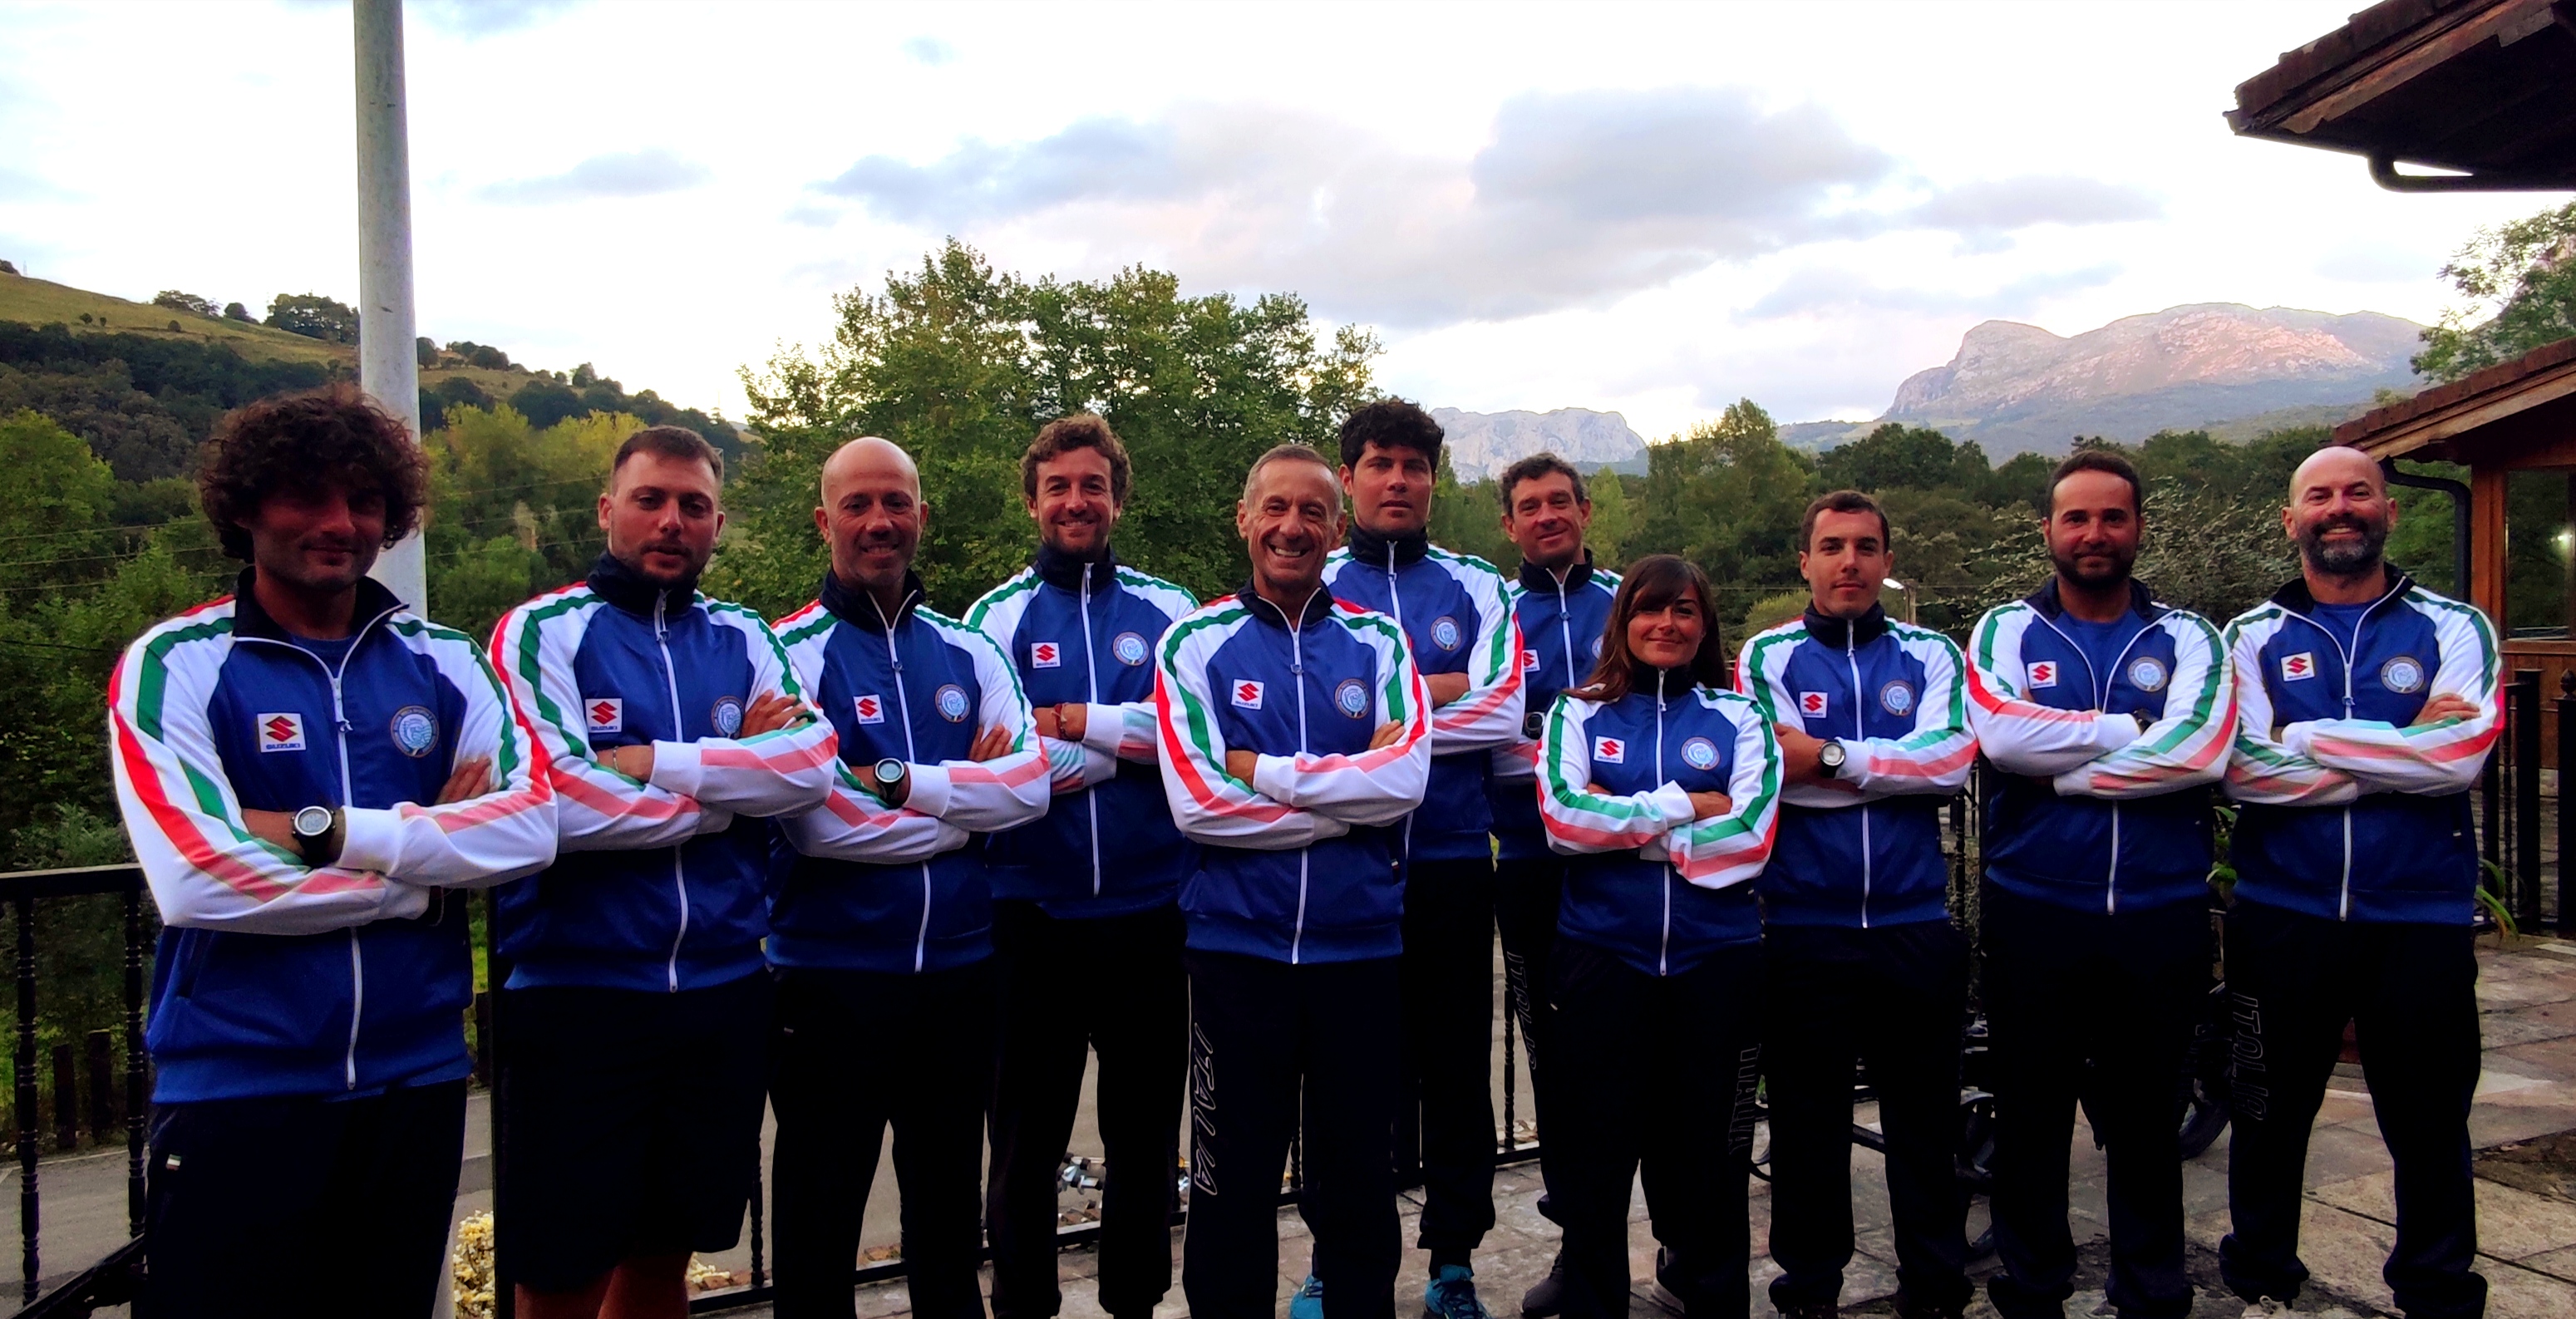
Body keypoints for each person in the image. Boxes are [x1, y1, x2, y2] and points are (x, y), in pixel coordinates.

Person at [110, 383, 558, 1317]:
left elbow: (528, 830)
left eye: (363, 501)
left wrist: (323, 833)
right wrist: (421, 876)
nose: (339, 523)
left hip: (417, 1078)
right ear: (244, 506)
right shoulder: (177, 663)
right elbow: (198, 880)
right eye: (307, 496)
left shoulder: (445, 659)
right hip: (240, 1085)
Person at [490, 425, 839, 1319]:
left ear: (718, 521)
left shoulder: (744, 636)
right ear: (609, 510)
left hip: (723, 990)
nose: (671, 521)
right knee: (560, 1272)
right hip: (579, 994)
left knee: (662, 1256)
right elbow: (560, 803)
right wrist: (731, 782)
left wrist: (658, 764)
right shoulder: (543, 631)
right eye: (651, 500)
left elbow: (811, 766)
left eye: (693, 505)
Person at [769, 436, 1051, 1317]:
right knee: (820, 1224)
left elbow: (1031, 788)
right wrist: (960, 813)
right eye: (857, 505)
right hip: (827, 980)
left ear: (922, 515)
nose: (879, 521)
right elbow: (814, 823)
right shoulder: (786, 654)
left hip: (961, 975)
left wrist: (891, 786)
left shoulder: (969, 651)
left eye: (896, 502)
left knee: (943, 1222)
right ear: (826, 522)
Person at [2218, 445, 2500, 1319]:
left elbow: (2457, 763)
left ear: (2388, 510)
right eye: (2320, 496)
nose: (2340, 508)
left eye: (2357, 493)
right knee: (2266, 1111)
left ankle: (2437, 1287)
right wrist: (2399, 736)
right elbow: (2243, 773)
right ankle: (2261, 1276)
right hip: (2282, 913)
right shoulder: (2251, 637)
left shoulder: (2454, 628)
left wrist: (2308, 738)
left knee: (2428, 1120)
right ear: (2291, 519)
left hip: (2420, 916)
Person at [1156, 441, 1433, 1319]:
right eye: (1275, 508)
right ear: (1244, 520)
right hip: (1237, 955)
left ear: (1337, 527)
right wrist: (1346, 803)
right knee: (1229, 1185)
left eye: (1313, 512)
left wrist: (1264, 771)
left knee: (1358, 1185)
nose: (1292, 526)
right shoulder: (1192, 643)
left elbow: (1407, 784)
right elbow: (1198, 804)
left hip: (1361, 953)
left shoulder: (1381, 640)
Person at [1963, 450, 2235, 1319]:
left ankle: (2152, 1291)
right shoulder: (2006, 630)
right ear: (2047, 531)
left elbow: (2202, 751)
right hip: (2035, 913)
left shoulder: (2189, 637)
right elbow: (2005, 741)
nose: (2094, 534)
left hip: (2160, 916)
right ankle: (2031, 1289)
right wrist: (2137, 730)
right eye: (2076, 518)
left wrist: (2070, 768)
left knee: (2147, 1124)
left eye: (2112, 517)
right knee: (2032, 1122)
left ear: (2138, 529)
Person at [964, 415, 1199, 1319]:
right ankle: (1023, 1307)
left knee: (1144, 1139)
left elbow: (1190, 742)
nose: (1076, 501)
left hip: (1152, 911)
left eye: (1092, 485)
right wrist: (1120, 742)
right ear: (1033, 501)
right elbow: (1005, 764)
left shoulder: (1175, 612)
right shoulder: (994, 620)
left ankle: (1135, 1303)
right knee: (1024, 1139)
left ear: (1118, 498)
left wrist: (1070, 724)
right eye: (1058, 487)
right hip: (1030, 913)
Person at [1734, 490, 1978, 1319]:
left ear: (1887, 561)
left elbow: (1949, 767)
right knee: (1809, 1129)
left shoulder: (1932, 654)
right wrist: (1885, 769)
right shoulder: (1768, 657)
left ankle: (1935, 1285)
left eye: (1866, 547)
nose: (1849, 562)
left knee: (1925, 1125)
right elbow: (1773, 773)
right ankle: (1810, 1289)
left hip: (1914, 925)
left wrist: (1832, 757)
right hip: (1805, 928)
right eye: (1832, 546)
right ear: (1804, 561)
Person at [1534, 554, 1781, 1318]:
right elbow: (1562, 821)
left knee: (1710, 1155)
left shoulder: (1740, 717)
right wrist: (1687, 804)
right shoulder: (1575, 713)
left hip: (1717, 960)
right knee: (1594, 1155)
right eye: (1649, 608)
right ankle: (1592, 1301)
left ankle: (1708, 1297)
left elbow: (1751, 839)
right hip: (1603, 957)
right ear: (1623, 621)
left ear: (1702, 624)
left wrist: (1629, 817)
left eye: (1683, 610)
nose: (1665, 624)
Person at [1319, 400, 1523, 1317]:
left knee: (1453, 1074)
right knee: (1346, 1076)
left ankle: (1453, 1263)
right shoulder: (1308, 580)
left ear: (1434, 480)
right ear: (1349, 478)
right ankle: (1337, 1261)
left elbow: (1503, 714)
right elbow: (1297, 720)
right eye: (1379, 464)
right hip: (1340, 862)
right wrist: (1432, 693)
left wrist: (1367, 704)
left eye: (1413, 466)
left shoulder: (1479, 586)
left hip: (1446, 859)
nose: (1397, 480)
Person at [1484, 452, 1620, 1315]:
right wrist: (1571, 762)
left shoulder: (1634, 600)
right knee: (1559, 1069)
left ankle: (1684, 1242)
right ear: (1509, 525)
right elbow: (1488, 738)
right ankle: (1585, 1251)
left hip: (1633, 872)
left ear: (1586, 510)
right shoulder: (1496, 614)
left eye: (1559, 502)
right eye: (1528, 507)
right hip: (1532, 866)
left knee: (1642, 1062)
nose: (1546, 517)